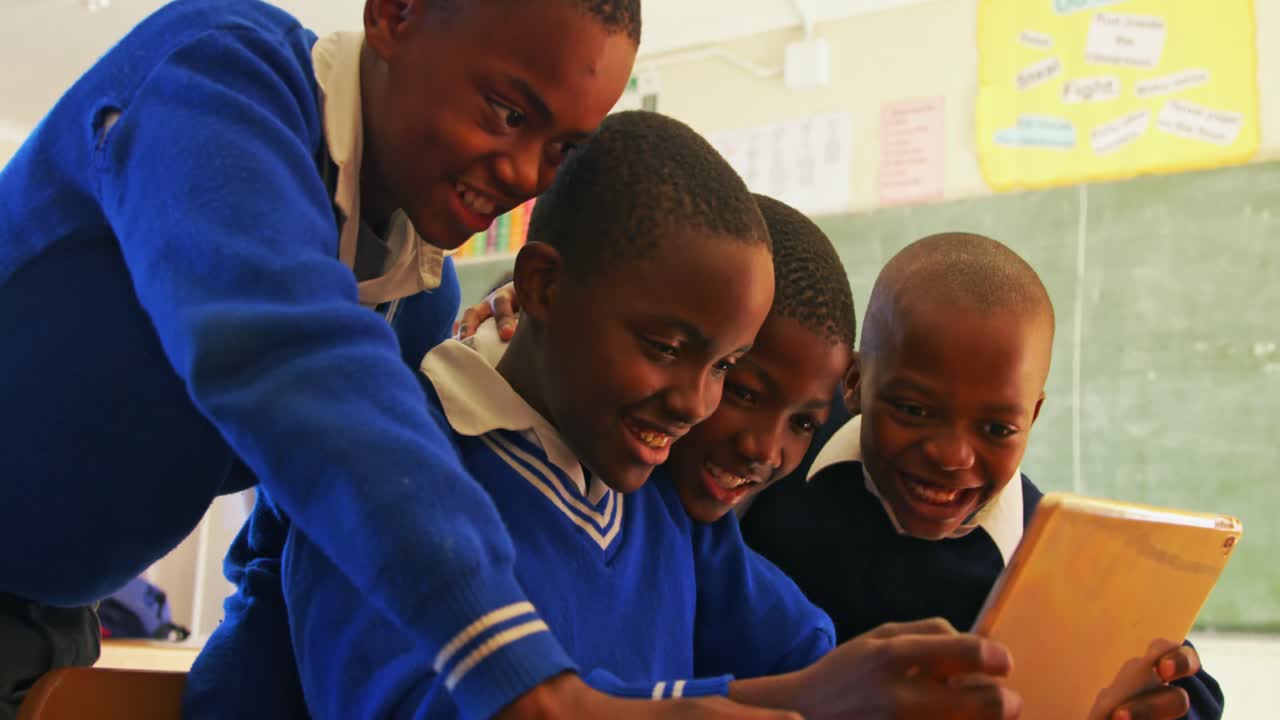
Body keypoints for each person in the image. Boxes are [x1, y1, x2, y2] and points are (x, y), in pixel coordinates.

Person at [0, 0, 765, 717]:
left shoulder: (418, 300)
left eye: (561, 151)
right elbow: (292, 358)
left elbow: (311, 532)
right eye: (507, 113)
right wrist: (528, 680)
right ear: (395, 13)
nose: (526, 176)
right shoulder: (218, 79)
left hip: (52, 613)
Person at [443, 168, 1019, 720]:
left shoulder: (680, 499)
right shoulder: (448, 472)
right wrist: (807, 696)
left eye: (804, 423)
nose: (764, 447)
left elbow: (798, 642)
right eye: (737, 384)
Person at [740, 232, 1225, 720]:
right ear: (855, 383)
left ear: (1032, 418)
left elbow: (1185, 696)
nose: (952, 456)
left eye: (996, 428)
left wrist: (1165, 700)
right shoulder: (780, 450)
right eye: (912, 409)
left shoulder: (1060, 569)